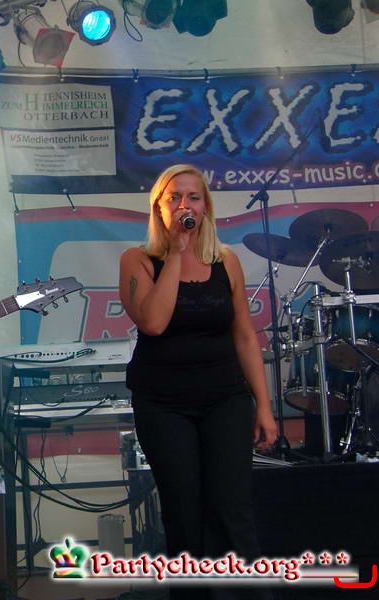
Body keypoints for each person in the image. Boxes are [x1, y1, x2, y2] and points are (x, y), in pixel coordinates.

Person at [119, 164, 278, 599]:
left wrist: (264, 406)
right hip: (163, 403)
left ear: (205, 206)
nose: (183, 205)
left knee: (232, 509)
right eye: (174, 197)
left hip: (225, 397)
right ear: (159, 206)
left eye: (192, 197)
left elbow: (244, 335)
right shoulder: (138, 260)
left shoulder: (226, 261)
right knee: (184, 513)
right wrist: (175, 252)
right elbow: (153, 322)